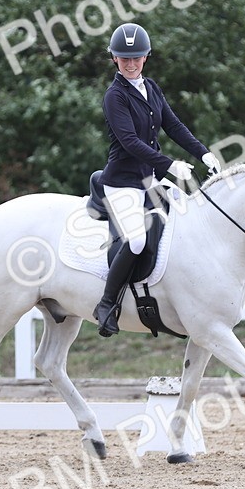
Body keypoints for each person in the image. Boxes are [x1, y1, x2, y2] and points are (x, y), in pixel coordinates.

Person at [93, 22, 220, 337]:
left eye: (136, 58)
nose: (131, 64)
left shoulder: (151, 87)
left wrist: (203, 153)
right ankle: (107, 305)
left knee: (187, 219)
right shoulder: (115, 96)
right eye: (124, 59)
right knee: (136, 240)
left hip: (149, 181)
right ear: (114, 59)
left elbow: (174, 125)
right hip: (122, 182)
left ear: (146, 56)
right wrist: (171, 165)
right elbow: (130, 142)